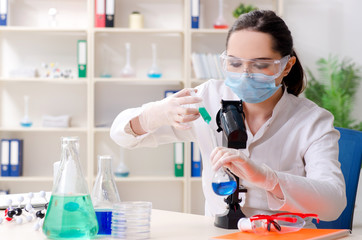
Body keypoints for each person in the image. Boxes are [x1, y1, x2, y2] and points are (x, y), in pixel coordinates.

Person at [110, 10, 346, 227]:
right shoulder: (208, 100)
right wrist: (157, 113)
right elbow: (121, 135)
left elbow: (333, 204)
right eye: (234, 63)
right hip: (221, 233)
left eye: (261, 65)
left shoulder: (312, 121)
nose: (245, 74)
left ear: (286, 66)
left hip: (286, 234)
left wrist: (267, 179)